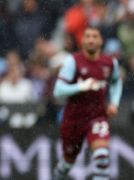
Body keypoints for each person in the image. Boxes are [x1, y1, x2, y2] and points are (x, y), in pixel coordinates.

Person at [52, 27, 123, 180]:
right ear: (82, 41)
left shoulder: (110, 63)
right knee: (67, 162)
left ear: (101, 40)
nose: (91, 40)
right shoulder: (73, 61)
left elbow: (116, 82)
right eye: (88, 36)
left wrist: (114, 103)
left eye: (95, 36)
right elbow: (58, 90)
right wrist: (81, 86)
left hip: (97, 116)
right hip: (74, 119)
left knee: (102, 156)